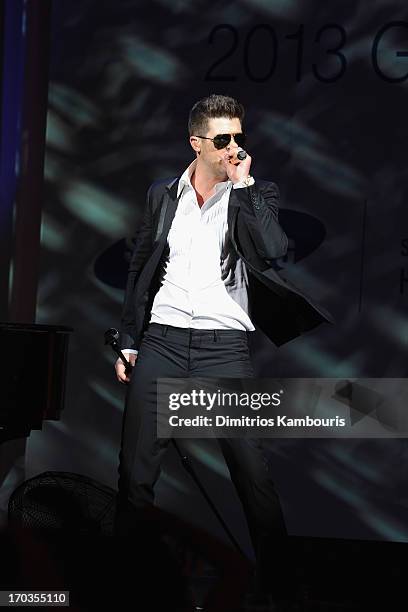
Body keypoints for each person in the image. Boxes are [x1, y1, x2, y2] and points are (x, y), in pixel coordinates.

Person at [113, 94, 333, 601]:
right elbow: (140, 266)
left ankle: (280, 590)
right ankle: (126, 586)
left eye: (239, 137)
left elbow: (274, 251)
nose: (234, 148)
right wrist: (129, 340)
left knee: (252, 476)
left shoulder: (254, 193)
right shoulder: (163, 194)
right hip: (163, 341)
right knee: (134, 473)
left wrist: (246, 187)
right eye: (222, 140)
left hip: (223, 349)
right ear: (196, 144)